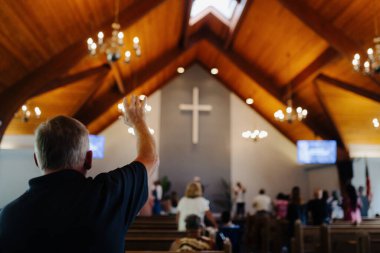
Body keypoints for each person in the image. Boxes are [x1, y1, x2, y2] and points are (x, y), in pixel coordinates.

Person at [0, 95, 159, 253]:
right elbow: (150, 158)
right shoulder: (109, 195)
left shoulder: (7, 218)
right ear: (89, 159)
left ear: (37, 160)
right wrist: (138, 121)